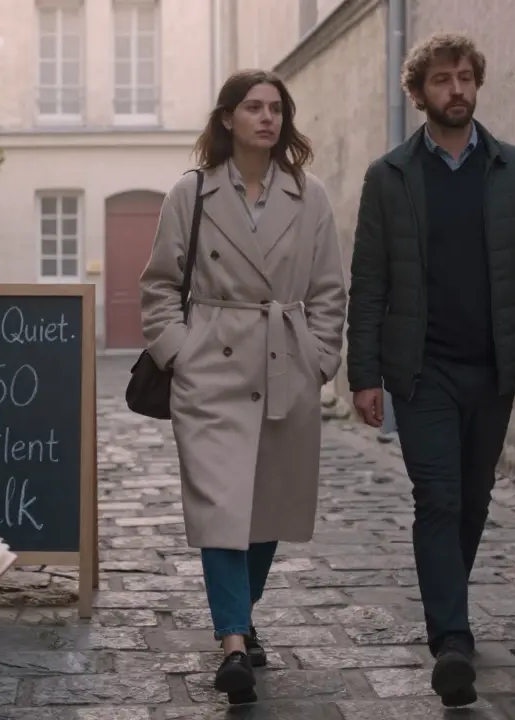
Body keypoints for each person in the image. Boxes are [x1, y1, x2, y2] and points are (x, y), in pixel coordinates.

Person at [346, 33, 515, 707]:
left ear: (477, 84)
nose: (457, 90)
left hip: (496, 365)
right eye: (442, 80)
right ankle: (451, 638)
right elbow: (369, 281)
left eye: (466, 77)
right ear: (420, 94)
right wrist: (363, 374)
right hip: (422, 371)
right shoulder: (388, 178)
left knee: (474, 500)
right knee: (438, 498)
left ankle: (450, 602)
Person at [139, 69, 347, 704]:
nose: (267, 118)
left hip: (286, 365)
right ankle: (233, 641)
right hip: (212, 371)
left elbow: (329, 290)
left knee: (268, 509)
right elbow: (157, 288)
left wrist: (319, 359)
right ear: (226, 118)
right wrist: (183, 355)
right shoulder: (192, 193)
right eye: (253, 107)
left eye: (276, 108)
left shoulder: (308, 196)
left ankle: (242, 615)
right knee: (220, 505)